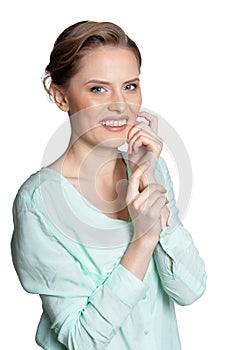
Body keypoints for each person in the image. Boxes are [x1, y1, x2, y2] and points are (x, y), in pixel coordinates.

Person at [11, 20, 206, 350]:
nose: (120, 104)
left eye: (129, 86)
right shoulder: (40, 203)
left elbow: (191, 290)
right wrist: (142, 241)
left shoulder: (150, 168)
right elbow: (80, 341)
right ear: (61, 97)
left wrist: (151, 184)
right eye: (98, 89)